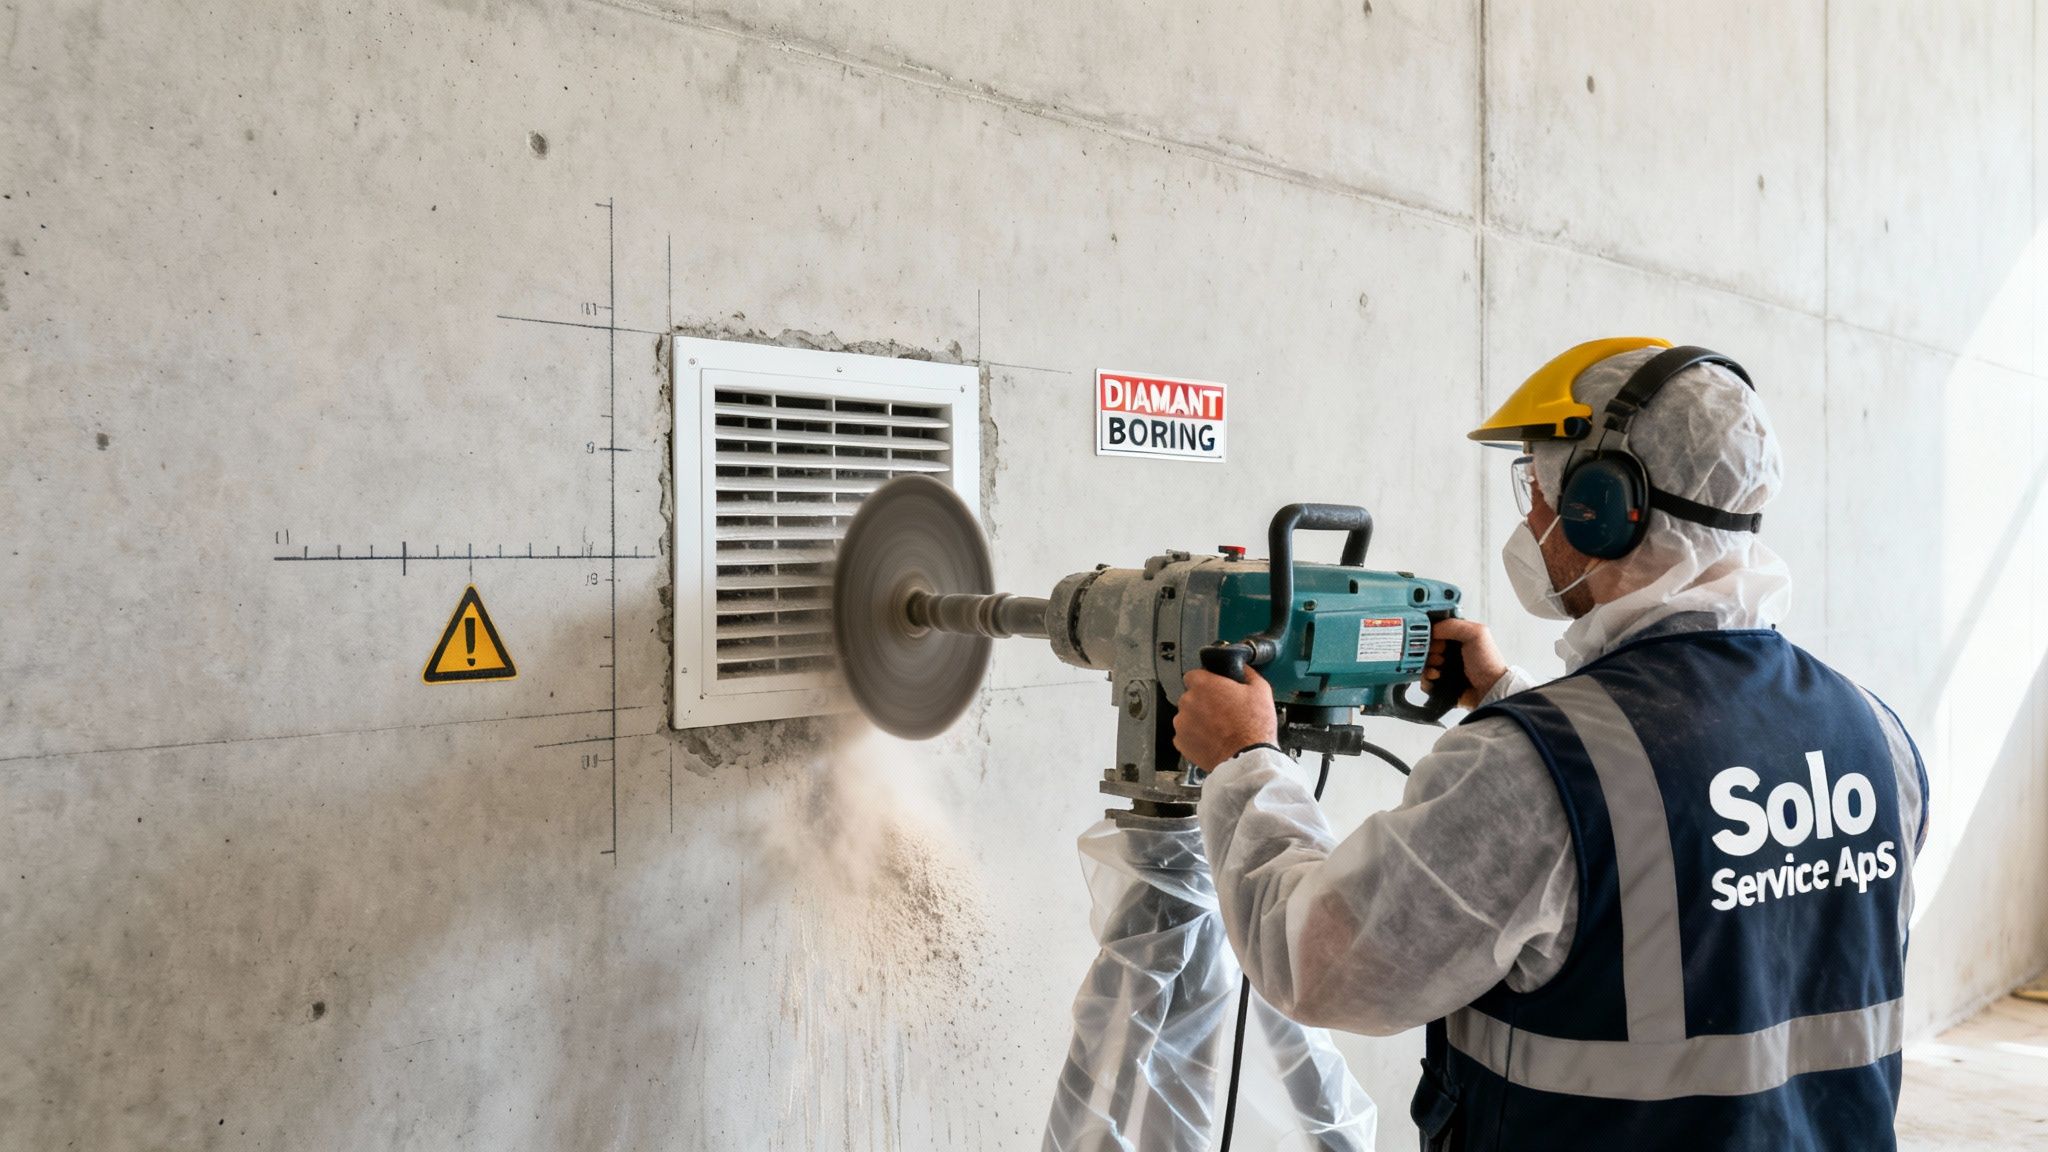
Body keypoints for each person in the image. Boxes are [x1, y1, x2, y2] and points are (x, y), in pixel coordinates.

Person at [1172, 338, 1928, 1151]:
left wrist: (1245, 761)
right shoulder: (1876, 735)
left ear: (1604, 507)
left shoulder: (1520, 772)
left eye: (1538, 487)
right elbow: (1672, 854)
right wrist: (1509, 698)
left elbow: (1320, 963)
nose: (1532, 519)